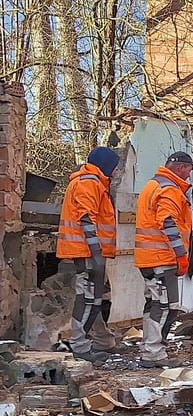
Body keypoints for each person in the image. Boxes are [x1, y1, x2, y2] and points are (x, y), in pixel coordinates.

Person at [56, 146, 121, 364]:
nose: (116, 171)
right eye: (114, 167)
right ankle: (80, 346)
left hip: (89, 251)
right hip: (87, 252)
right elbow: (86, 217)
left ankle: (99, 342)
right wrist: (95, 253)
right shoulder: (89, 183)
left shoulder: (94, 182)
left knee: (99, 298)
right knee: (87, 298)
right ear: (106, 165)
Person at [134, 151, 193, 368]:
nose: (190, 174)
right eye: (189, 169)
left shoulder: (153, 185)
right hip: (161, 258)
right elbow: (168, 222)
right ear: (181, 167)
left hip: (150, 258)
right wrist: (181, 255)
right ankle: (153, 353)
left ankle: (152, 349)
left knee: (156, 304)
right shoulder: (169, 189)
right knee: (165, 305)